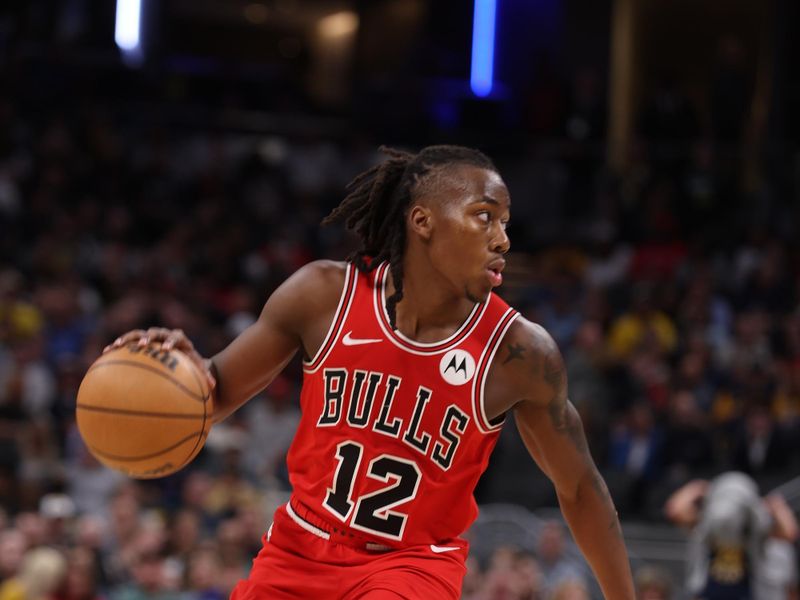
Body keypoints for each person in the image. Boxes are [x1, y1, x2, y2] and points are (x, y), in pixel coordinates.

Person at [107, 145, 635, 599]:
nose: (503, 240)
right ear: (423, 220)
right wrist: (179, 371)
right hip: (298, 546)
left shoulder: (518, 352)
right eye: (484, 216)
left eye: (505, 223)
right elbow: (215, 393)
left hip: (411, 566)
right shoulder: (323, 295)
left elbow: (581, 488)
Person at [665, 472, 799, 600]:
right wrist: (698, 487)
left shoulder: (754, 530)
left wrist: (776, 505)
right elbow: (674, 510)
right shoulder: (708, 525)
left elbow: (790, 532)